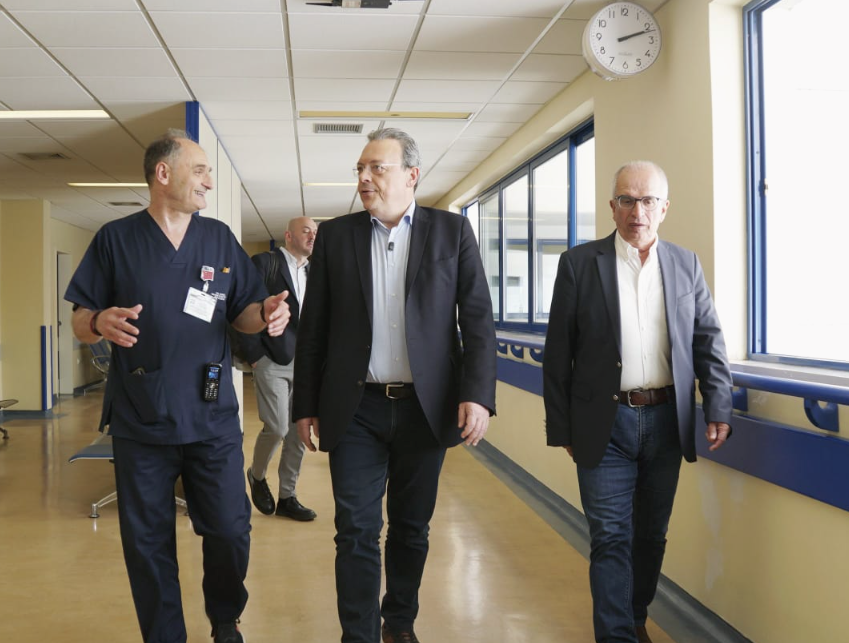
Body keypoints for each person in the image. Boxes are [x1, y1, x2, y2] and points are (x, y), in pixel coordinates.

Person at [66, 128, 290, 643]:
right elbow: (79, 319)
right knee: (146, 542)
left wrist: (267, 314)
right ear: (163, 174)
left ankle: (225, 617)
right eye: (200, 170)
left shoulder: (218, 239)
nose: (208, 181)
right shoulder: (115, 239)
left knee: (230, 528)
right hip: (141, 416)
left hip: (210, 416)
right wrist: (98, 322)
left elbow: (244, 312)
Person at [292, 127, 496, 643]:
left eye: (376, 168)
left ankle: (399, 622)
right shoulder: (337, 236)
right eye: (360, 169)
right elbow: (314, 328)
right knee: (355, 530)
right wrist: (304, 404)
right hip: (355, 407)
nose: (364, 178)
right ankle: (358, 634)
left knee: (411, 527)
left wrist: (477, 394)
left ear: (411, 175)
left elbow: (477, 320)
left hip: (425, 408)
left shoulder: (451, 232)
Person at [542, 161, 733, 643]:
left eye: (648, 201)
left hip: (667, 421)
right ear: (612, 207)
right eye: (627, 200)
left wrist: (718, 406)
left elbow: (708, 339)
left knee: (650, 535)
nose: (637, 211)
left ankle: (635, 616)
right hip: (604, 423)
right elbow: (558, 352)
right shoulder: (579, 264)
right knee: (610, 537)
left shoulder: (685, 264)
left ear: (664, 208)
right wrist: (562, 428)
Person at [244, 216, 319, 522]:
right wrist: (254, 355)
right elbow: (242, 305)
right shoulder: (266, 263)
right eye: (306, 231)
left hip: (307, 364)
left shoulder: (317, 270)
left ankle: (288, 496)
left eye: (315, 232)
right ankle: (257, 475)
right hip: (272, 359)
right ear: (288, 235)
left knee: (298, 432)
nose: (312, 236)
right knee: (276, 427)